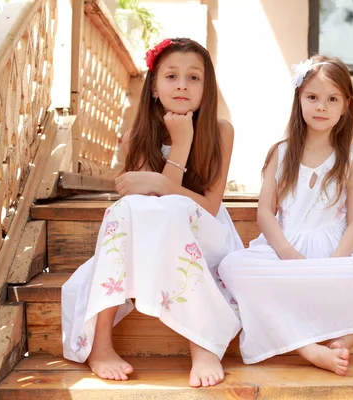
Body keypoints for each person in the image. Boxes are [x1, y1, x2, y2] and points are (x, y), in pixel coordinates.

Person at [218, 55, 353, 376]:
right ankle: (306, 348)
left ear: (346, 105)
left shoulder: (352, 159)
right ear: (300, 99)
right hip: (286, 248)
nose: (321, 107)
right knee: (231, 267)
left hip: (338, 251)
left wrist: (336, 264)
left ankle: (345, 339)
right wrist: (288, 253)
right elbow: (265, 212)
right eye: (312, 97)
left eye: (332, 99)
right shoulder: (280, 153)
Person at [61, 38, 242, 388]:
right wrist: (173, 154)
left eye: (194, 78)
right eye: (171, 76)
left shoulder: (221, 132)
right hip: (152, 235)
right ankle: (100, 344)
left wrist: (181, 147)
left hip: (206, 233)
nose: (182, 85)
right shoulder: (136, 137)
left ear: (207, 88)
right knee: (125, 208)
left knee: (172, 206)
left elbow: (208, 205)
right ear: (155, 88)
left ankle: (202, 341)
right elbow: (146, 201)